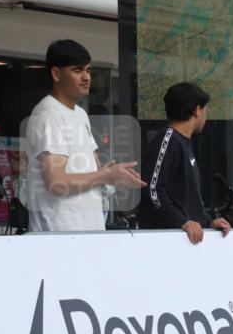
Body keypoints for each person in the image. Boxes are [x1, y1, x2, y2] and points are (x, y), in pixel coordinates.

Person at [24, 40, 145, 232]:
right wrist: (105, 175)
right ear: (56, 74)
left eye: (88, 70)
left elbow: (93, 169)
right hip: (59, 235)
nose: (87, 77)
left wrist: (112, 174)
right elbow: (56, 183)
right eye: (78, 70)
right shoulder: (48, 115)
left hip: (87, 231)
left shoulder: (80, 114)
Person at [140, 82, 231, 244]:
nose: (205, 117)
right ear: (197, 110)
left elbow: (185, 198)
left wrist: (208, 220)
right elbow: (151, 188)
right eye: (205, 110)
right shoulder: (167, 140)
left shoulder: (182, 142)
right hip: (167, 243)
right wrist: (181, 221)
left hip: (186, 244)